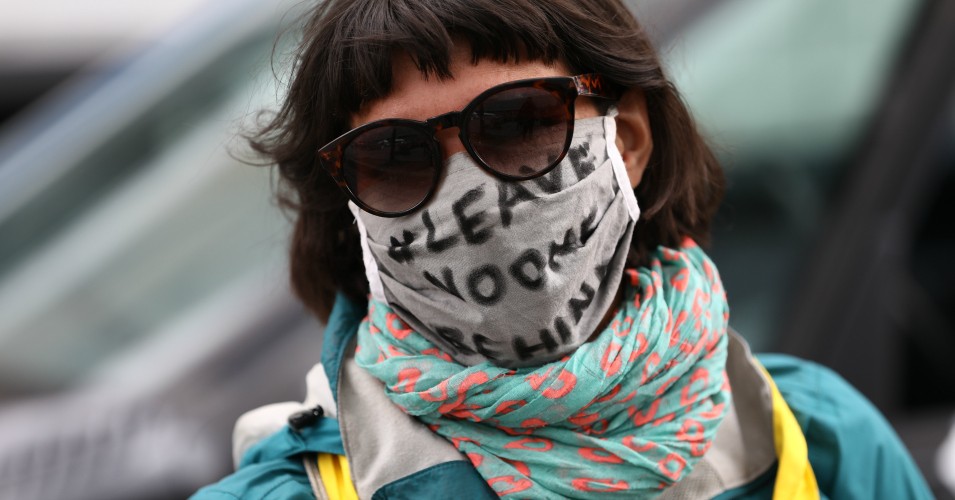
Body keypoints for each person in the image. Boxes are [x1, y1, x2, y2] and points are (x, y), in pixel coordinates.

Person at [192, 0, 932, 498]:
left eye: (519, 122)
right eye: (394, 156)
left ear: (627, 140)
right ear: (353, 210)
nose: (472, 194)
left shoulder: (815, 437)